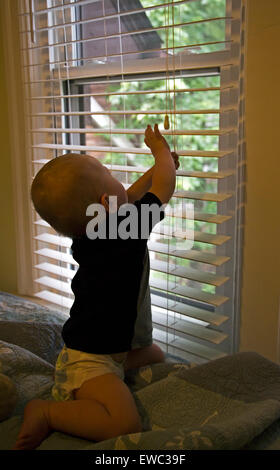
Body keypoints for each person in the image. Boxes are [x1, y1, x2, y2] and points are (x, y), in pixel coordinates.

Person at [13, 124, 179, 450]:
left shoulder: (95, 231)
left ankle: (114, 370)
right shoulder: (122, 233)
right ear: (105, 203)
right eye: (107, 171)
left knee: (156, 354)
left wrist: (159, 168)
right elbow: (162, 190)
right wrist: (160, 153)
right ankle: (46, 411)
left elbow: (130, 196)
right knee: (124, 424)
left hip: (111, 350)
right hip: (90, 361)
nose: (115, 176)